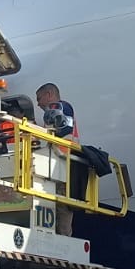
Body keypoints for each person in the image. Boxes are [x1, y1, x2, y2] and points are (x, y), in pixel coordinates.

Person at [35, 83, 86, 235]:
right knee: (61, 217)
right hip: (61, 169)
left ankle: (62, 248)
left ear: (49, 94)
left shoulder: (59, 108)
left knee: (62, 216)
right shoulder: (59, 111)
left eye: (39, 98)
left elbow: (61, 133)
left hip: (61, 168)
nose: (37, 104)